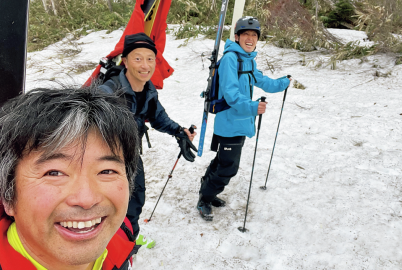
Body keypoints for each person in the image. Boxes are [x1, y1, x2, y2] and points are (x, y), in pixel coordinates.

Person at [0, 87, 140, 269]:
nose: (87, 200)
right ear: (8, 197)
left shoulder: (121, 234)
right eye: (54, 173)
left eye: (106, 171)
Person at [99, 32, 197, 239]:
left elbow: (158, 118)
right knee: (108, 206)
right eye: (138, 58)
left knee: (135, 202)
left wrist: (180, 132)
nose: (145, 65)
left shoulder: (148, 91)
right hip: (105, 160)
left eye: (150, 59)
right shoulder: (108, 92)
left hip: (131, 156)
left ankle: (128, 243)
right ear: (125, 61)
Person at [197, 17, 291, 221]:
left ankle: (208, 192)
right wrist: (253, 107)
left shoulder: (248, 59)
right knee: (228, 167)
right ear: (237, 37)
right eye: (246, 34)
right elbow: (231, 94)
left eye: (254, 35)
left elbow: (262, 80)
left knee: (223, 161)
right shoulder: (231, 58)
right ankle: (205, 198)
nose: (250, 38)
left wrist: (282, 83)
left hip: (241, 122)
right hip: (230, 122)